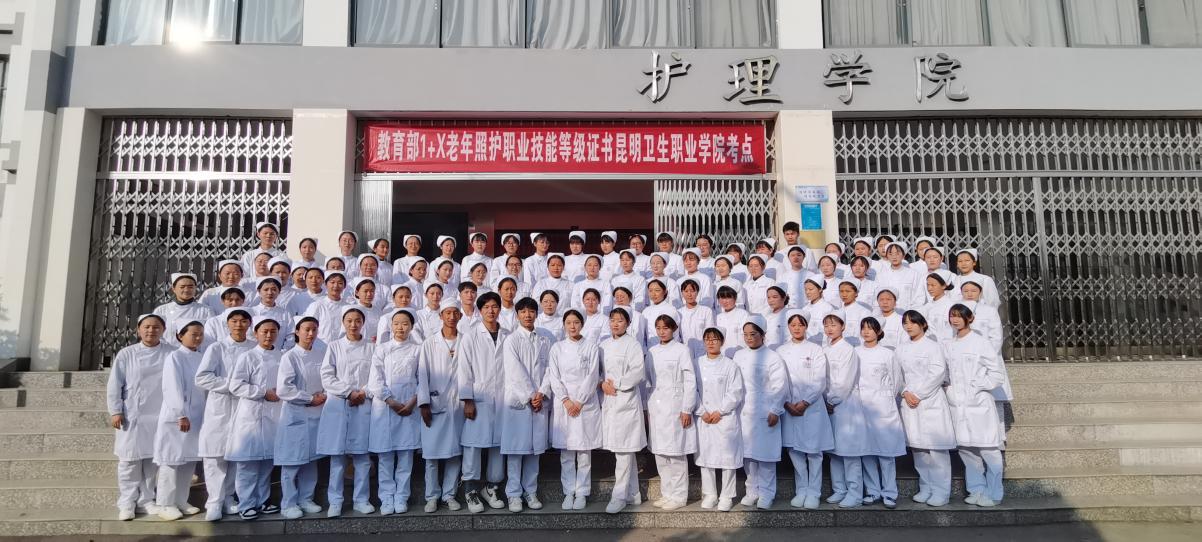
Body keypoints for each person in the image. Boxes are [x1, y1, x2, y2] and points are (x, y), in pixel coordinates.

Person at [108, 314, 171, 521]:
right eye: (147, 327)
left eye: (156, 327)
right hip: (132, 414)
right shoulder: (127, 354)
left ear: (163, 330)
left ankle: (146, 500)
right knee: (129, 460)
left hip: (160, 415)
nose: (151, 330)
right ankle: (126, 503)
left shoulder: (171, 352)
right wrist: (116, 410)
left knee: (152, 461)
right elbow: (115, 384)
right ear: (138, 330)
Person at [944, 304, 1007, 507]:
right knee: (967, 450)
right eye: (952, 316)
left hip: (978, 403)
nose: (955, 320)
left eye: (959, 316)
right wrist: (949, 389)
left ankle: (994, 492)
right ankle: (977, 489)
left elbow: (996, 374)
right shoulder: (948, 344)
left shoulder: (981, 343)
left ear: (969, 318)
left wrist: (979, 386)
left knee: (988, 449)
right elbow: (946, 373)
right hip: (957, 404)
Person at [316, 306, 376, 517]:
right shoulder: (334, 346)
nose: (353, 324)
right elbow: (327, 376)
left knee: (362, 457)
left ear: (363, 323)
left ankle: (361, 500)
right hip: (339, 405)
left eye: (357, 320)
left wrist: (363, 393)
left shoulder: (371, 348)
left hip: (363, 405)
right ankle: (336, 501)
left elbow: (376, 376)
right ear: (343, 322)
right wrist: (349, 392)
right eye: (349, 320)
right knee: (338, 458)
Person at [195, 308, 254, 521]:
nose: (239, 325)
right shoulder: (217, 348)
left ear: (249, 324)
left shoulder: (254, 348)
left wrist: (246, 389)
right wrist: (232, 385)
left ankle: (229, 498)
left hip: (245, 406)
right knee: (215, 455)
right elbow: (202, 377)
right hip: (220, 406)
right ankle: (214, 502)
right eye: (234, 321)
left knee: (237, 455)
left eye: (243, 321)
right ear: (227, 324)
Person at [895, 310, 956, 508]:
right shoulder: (901, 349)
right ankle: (926, 487)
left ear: (923, 324)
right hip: (909, 401)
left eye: (912, 322)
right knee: (918, 448)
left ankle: (942, 491)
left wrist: (918, 394)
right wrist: (905, 392)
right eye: (905, 323)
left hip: (930, 400)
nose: (909, 326)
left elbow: (937, 373)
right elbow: (897, 375)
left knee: (936, 449)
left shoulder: (933, 346)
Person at [456, 292, 510, 513]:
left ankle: (491, 487)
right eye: (486, 307)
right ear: (480, 310)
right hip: (478, 398)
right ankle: (470, 490)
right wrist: (468, 399)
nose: (491, 310)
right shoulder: (471, 336)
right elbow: (464, 369)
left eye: (494, 306)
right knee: (473, 444)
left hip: (503, 399)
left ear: (500, 309)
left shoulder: (508, 335)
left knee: (498, 445)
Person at [225, 317, 283, 520]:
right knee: (248, 463)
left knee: (267, 462)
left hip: (274, 414)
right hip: (251, 413)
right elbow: (236, 385)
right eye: (264, 331)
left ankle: (263, 500)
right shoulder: (248, 356)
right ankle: (246, 503)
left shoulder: (282, 356)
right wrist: (262, 392)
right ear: (256, 333)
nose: (269, 335)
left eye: (273, 331)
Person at [545, 310, 603, 510]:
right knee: (566, 453)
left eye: (576, 322)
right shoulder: (557, 348)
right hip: (565, 405)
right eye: (569, 323)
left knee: (584, 453)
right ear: (564, 325)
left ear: (582, 324)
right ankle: (568, 491)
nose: (572, 326)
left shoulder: (591, 347)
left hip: (584, 404)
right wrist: (566, 400)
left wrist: (579, 401)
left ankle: (582, 492)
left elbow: (593, 375)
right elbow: (554, 376)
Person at [500, 297, 554, 513]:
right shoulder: (511, 340)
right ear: (517, 315)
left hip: (539, 401)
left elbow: (550, 369)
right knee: (516, 451)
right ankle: (513, 493)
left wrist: (542, 392)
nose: (528, 315)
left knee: (535, 450)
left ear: (536, 314)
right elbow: (515, 372)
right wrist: (531, 395)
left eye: (531, 311)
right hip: (520, 402)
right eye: (523, 311)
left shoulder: (545, 339)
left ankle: (530, 491)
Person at [776, 310, 834, 510]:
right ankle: (801, 489)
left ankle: (814, 492)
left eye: (800, 325)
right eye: (793, 325)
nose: (797, 328)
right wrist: (787, 402)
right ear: (788, 327)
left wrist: (805, 402)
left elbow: (820, 380)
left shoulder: (816, 350)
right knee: (795, 450)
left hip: (811, 407)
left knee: (814, 452)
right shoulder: (781, 351)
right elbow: (778, 380)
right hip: (789, 407)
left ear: (806, 327)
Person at [368, 309, 423, 515]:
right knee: (385, 456)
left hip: (410, 408)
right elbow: (375, 380)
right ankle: (386, 498)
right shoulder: (382, 349)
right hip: (385, 408)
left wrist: (412, 402)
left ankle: (401, 497)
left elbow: (422, 379)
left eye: (405, 323)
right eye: (397, 323)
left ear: (412, 326)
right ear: (391, 326)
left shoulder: (418, 350)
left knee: (406, 456)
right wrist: (390, 401)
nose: (401, 327)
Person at [152, 320, 206, 521]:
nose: (197, 338)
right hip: (178, 417)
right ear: (180, 336)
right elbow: (171, 387)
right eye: (193, 334)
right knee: (170, 461)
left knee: (188, 461)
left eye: (200, 334)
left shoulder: (202, 357)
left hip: (197, 416)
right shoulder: (175, 357)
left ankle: (181, 501)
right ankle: (165, 504)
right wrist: (180, 414)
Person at [733, 315, 788, 510]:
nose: (749, 338)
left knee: (765, 456)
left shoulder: (772, 357)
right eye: (746, 334)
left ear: (763, 335)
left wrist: (775, 409)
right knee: (748, 455)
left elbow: (780, 385)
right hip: (743, 410)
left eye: (753, 334)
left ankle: (766, 493)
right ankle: (752, 491)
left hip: (765, 410)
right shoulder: (738, 355)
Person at [275, 317, 327, 519]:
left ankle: (306, 498)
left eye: (314, 329)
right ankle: (288, 503)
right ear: (297, 332)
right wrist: (309, 398)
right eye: (306, 329)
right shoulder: (290, 356)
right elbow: (284, 389)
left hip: (317, 413)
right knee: (292, 462)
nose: (311, 334)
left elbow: (328, 379)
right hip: (296, 413)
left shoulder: (321, 354)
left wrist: (323, 396)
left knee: (311, 460)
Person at [417, 299, 466, 513]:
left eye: (455, 313)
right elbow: (422, 374)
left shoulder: (466, 341)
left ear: (460, 316)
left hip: (458, 405)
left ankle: (449, 495)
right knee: (431, 454)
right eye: (448, 313)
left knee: (455, 453)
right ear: (441, 316)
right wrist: (424, 403)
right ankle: (432, 496)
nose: (452, 317)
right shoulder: (430, 343)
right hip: (435, 403)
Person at [645, 315, 698, 510]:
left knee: (676, 454)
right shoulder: (652, 351)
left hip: (676, 405)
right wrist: (649, 407)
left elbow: (690, 381)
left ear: (674, 329)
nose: (662, 331)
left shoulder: (682, 350)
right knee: (660, 453)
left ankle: (679, 496)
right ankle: (667, 493)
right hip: (657, 406)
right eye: (658, 328)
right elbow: (648, 379)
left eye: (665, 328)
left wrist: (687, 408)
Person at [855, 317, 907, 509]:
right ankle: (872, 491)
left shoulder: (887, 354)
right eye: (863, 328)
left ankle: (889, 492)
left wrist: (884, 398)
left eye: (870, 328)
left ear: (878, 332)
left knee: (886, 452)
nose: (866, 332)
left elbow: (896, 381)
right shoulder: (855, 352)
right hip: (861, 406)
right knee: (867, 451)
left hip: (883, 406)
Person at [600, 307, 647, 514]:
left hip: (625, 401)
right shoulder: (603, 345)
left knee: (624, 451)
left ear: (627, 323)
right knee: (624, 450)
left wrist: (617, 384)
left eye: (620, 320)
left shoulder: (633, 344)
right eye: (612, 320)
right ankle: (633, 493)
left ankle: (618, 496)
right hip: (610, 401)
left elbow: (638, 372)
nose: (615, 324)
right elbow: (598, 371)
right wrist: (602, 384)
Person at [694, 327, 744, 512]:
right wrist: (701, 411)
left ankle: (726, 495)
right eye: (707, 339)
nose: (711, 342)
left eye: (715, 339)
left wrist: (720, 411)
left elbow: (736, 392)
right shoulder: (696, 363)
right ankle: (710, 494)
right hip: (704, 417)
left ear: (722, 342)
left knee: (727, 458)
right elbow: (692, 389)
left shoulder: (730, 365)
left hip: (724, 418)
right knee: (706, 457)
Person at [822, 310, 868, 508]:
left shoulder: (848, 349)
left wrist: (832, 400)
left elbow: (845, 381)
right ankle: (839, 489)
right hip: (828, 405)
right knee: (834, 452)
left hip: (845, 405)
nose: (829, 329)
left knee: (849, 452)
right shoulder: (825, 348)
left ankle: (854, 492)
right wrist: (825, 400)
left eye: (834, 324)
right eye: (826, 325)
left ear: (843, 327)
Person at [155, 273, 215, 349]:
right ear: (173, 289)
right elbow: (155, 333)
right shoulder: (161, 310)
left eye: (190, 287)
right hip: (166, 351)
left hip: (195, 352)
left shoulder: (206, 310)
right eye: (182, 287)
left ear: (195, 288)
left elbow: (211, 335)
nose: (186, 290)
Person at [875, 241, 926, 311]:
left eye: (897, 253)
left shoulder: (913, 274)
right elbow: (877, 297)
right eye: (890, 254)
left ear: (903, 255)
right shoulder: (881, 276)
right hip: (887, 314)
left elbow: (919, 296)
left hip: (908, 313)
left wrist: (911, 313)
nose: (894, 257)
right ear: (887, 256)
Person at [303, 271, 348, 345]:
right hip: (320, 347)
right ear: (325, 284)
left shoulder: (347, 307)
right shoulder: (317, 305)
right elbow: (308, 327)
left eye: (340, 283)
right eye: (332, 282)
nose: (336, 286)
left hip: (342, 347)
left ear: (344, 286)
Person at [250, 277, 294, 350]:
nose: (270, 293)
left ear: (279, 291)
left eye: (274, 289)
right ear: (259, 291)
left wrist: (283, 352)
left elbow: (290, 336)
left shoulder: (285, 313)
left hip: (279, 353)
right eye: (266, 289)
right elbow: (250, 336)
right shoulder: (252, 312)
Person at [678, 279, 715, 360]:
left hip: (703, 351)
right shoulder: (679, 313)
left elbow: (710, 333)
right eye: (686, 291)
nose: (689, 294)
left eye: (692, 291)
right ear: (682, 293)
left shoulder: (706, 311)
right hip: (685, 351)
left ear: (697, 292)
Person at [922, 269, 959, 342]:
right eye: (928, 285)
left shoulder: (951, 306)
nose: (929, 288)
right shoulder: (927, 306)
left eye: (933, 285)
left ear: (944, 286)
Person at [641, 280, 680, 349]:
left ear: (665, 292)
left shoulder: (670, 309)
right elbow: (644, 334)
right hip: (650, 350)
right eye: (650, 291)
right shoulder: (645, 311)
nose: (653, 294)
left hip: (668, 349)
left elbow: (675, 333)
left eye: (657, 290)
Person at [714, 286, 750, 356]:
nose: (725, 301)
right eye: (722, 298)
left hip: (741, 354)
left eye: (728, 297)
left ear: (735, 298)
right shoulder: (718, 318)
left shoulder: (743, 314)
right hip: (723, 355)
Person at [799, 277, 835, 343]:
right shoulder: (804, 309)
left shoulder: (828, 308)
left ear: (820, 289)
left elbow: (830, 332)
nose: (807, 292)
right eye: (806, 289)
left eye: (810, 289)